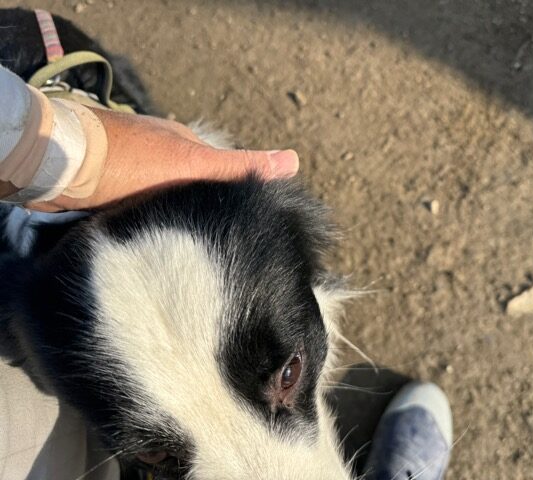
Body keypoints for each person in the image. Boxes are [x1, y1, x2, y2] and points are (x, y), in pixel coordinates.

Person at [0, 64, 452, 479]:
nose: (287, 378)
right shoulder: (29, 323)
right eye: (156, 453)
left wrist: (56, 150)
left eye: (288, 375)